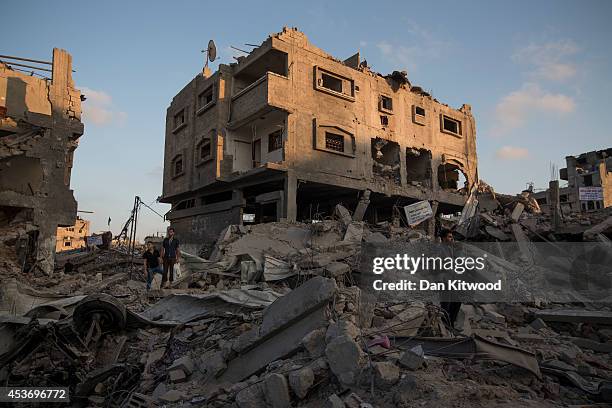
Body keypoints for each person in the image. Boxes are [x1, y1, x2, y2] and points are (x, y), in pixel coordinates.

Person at [438, 228, 462, 328]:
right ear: (443, 238)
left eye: (452, 237)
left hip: (452, 279)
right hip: (444, 280)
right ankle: (445, 326)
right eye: (449, 237)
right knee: (446, 305)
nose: (452, 239)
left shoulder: (450, 248)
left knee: (456, 302)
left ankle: (450, 324)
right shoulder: (439, 249)